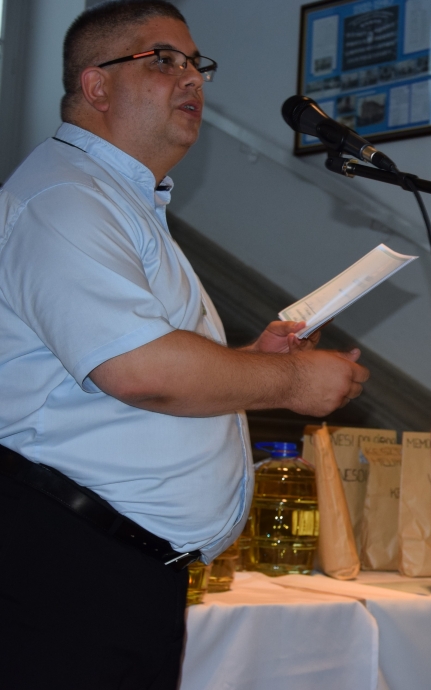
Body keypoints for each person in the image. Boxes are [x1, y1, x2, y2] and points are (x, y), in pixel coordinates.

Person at [0, 2, 368, 688]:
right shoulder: (64, 198)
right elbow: (139, 371)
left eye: (197, 64)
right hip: (68, 562)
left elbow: (141, 368)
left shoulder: (119, 201)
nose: (193, 78)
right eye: (163, 61)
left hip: (113, 568)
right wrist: (292, 383)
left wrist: (252, 365)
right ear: (96, 85)